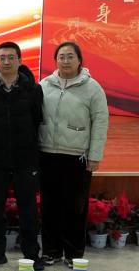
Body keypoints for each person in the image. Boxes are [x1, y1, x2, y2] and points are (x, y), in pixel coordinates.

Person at [38, 42, 108, 269]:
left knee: (75, 208)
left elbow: (100, 123)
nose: (65, 61)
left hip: (77, 157)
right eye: (61, 56)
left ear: (79, 60)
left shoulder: (92, 88)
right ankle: (51, 252)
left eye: (70, 56)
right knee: (49, 207)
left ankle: (74, 254)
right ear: (55, 60)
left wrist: (95, 155)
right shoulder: (44, 85)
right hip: (47, 154)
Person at [0, 41, 44, 270]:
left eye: (11, 57)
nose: (6, 62)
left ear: (20, 60)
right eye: (2, 58)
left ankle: (32, 255)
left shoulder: (33, 89)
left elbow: (37, 120)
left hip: (26, 159)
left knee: (28, 210)